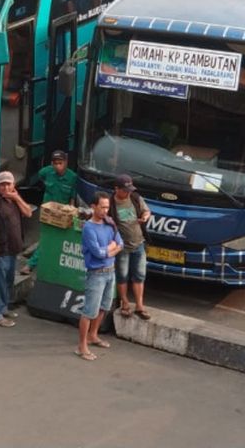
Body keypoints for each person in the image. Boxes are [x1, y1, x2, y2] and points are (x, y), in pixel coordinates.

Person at [77, 191, 122, 360]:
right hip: (96, 274)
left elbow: (120, 243)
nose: (105, 211)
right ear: (93, 207)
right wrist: (111, 249)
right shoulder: (88, 228)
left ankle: (93, 335)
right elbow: (97, 253)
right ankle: (82, 347)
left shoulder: (110, 223)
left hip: (110, 272)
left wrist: (111, 250)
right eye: (102, 207)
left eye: (107, 207)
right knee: (89, 312)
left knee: (104, 306)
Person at [0, 171, 32, 328]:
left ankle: (3, 308)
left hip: (13, 249)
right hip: (0, 250)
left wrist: (16, 198)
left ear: (13, 185)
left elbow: (29, 213)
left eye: (8, 184)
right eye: (2, 184)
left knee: (8, 281)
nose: (5, 187)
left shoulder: (14, 201)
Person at [23, 150, 80, 274]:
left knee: (54, 240)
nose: (58, 166)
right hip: (47, 213)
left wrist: (71, 213)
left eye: (60, 163)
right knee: (46, 238)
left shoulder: (72, 177)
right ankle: (31, 264)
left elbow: (72, 198)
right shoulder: (47, 172)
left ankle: (35, 263)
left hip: (62, 215)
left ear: (66, 162)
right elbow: (40, 176)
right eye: (55, 164)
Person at [110, 174, 151, 320]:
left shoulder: (135, 198)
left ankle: (140, 305)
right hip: (122, 246)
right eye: (125, 190)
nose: (128, 193)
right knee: (122, 276)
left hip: (139, 243)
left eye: (129, 190)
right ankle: (125, 303)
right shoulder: (110, 203)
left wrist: (145, 217)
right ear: (116, 189)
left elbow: (147, 211)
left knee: (139, 276)